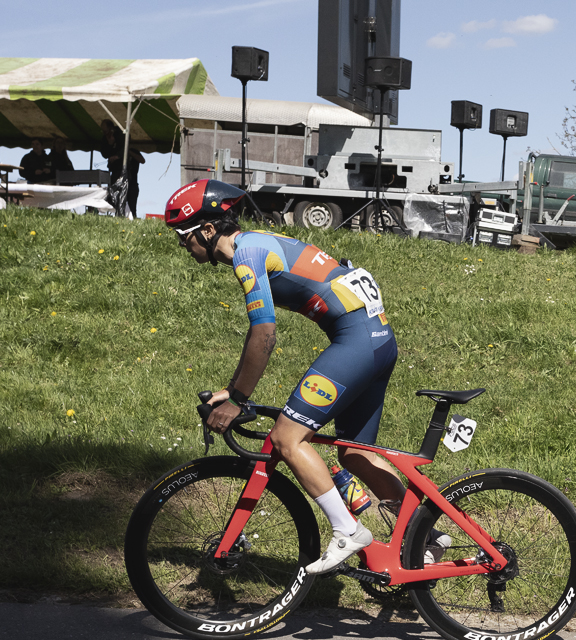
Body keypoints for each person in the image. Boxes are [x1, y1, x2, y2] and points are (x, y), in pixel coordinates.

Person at [164, 179, 447, 573]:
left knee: (286, 438)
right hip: (378, 340)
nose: (183, 245)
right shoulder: (258, 240)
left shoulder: (247, 254)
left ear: (208, 230)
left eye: (184, 236)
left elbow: (264, 333)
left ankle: (348, 530)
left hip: (357, 341)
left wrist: (237, 398)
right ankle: (425, 535)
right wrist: (233, 389)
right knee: (355, 454)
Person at [100, 119, 145, 216]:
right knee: (116, 203)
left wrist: (127, 151)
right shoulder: (112, 145)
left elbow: (142, 160)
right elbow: (105, 153)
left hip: (131, 182)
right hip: (116, 177)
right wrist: (110, 144)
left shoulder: (131, 150)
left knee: (132, 208)